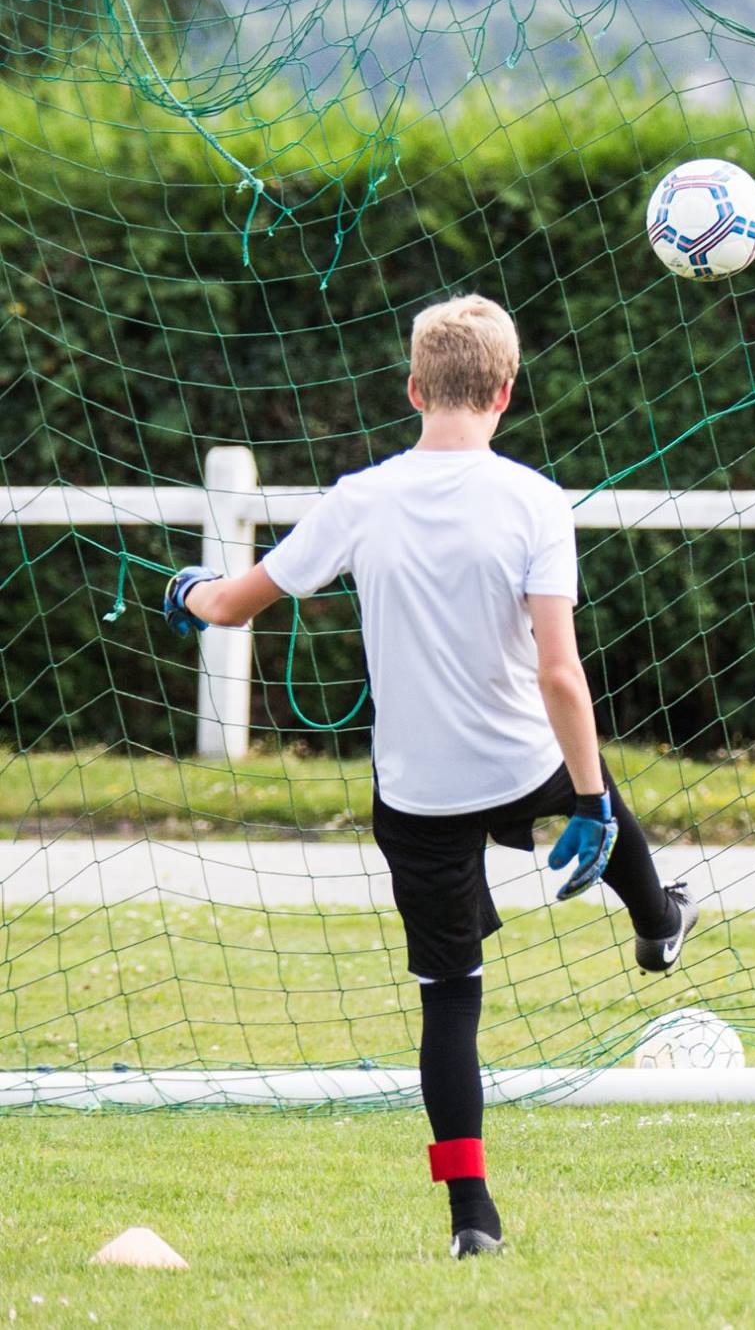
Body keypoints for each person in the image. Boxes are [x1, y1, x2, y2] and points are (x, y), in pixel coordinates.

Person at [162, 294, 697, 1257]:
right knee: (593, 784)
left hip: (418, 795)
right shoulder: (535, 499)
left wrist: (185, 594)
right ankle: (657, 921)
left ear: (414, 389)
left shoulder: (359, 496)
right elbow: (559, 673)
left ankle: (472, 1219)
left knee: (452, 998)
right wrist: (585, 800)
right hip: (524, 761)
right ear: (505, 392)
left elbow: (235, 604)